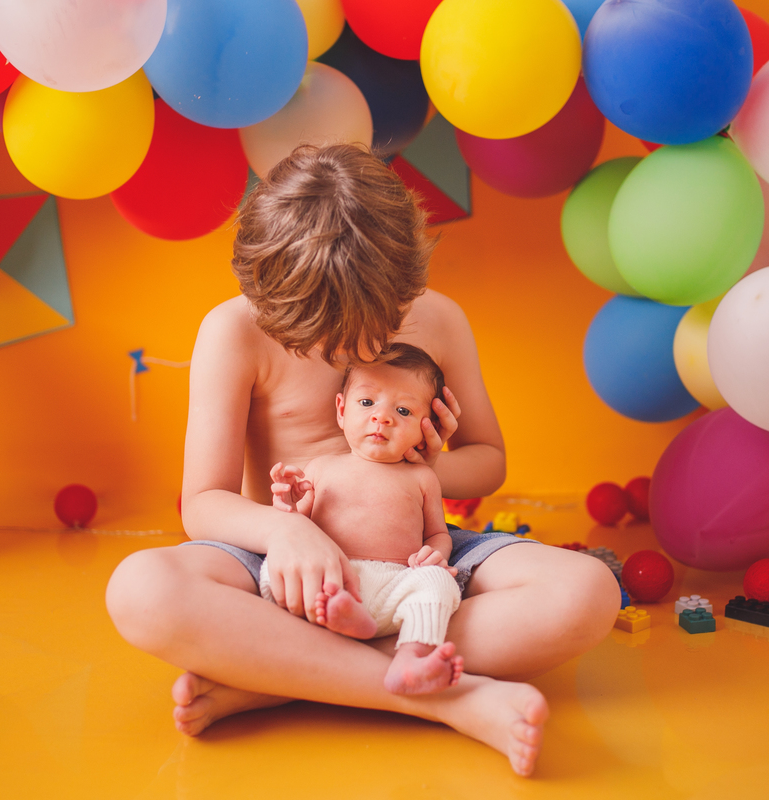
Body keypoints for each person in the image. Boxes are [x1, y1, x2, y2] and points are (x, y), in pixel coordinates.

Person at [106, 143, 621, 777]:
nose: (353, 351)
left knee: (589, 590)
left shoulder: (439, 319)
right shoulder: (234, 331)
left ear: (404, 287)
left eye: (374, 334)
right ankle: (447, 700)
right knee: (140, 590)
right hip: (278, 563)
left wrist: (426, 470)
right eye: (324, 339)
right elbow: (204, 503)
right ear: (271, 298)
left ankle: (280, 674)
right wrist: (287, 530)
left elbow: (488, 461)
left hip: (415, 558)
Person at [266, 342, 464, 696]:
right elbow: (300, 528)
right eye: (367, 402)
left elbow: (437, 533)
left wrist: (437, 554)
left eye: (403, 410)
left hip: (394, 584)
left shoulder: (421, 478)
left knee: (440, 584)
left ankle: (411, 657)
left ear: (427, 429)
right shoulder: (322, 468)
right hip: (330, 576)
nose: (382, 417)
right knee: (270, 568)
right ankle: (347, 616)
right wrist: (289, 504)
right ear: (341, 411)